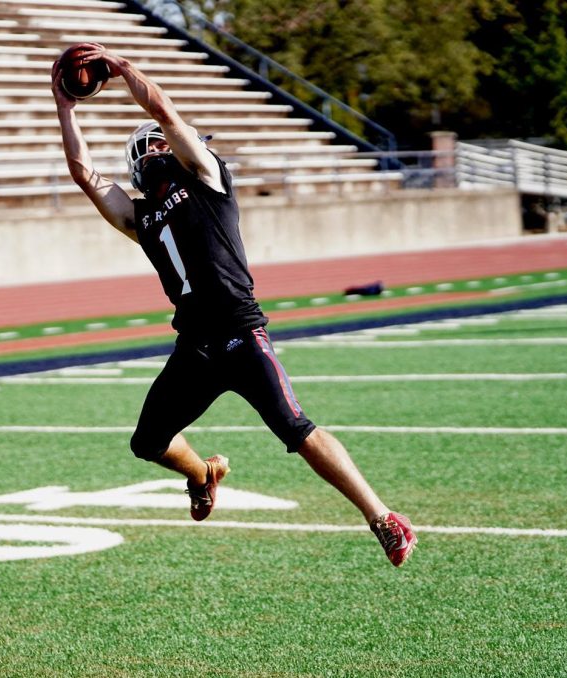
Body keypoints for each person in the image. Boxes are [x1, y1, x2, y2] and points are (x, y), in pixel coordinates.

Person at [51, 43, 417, 566]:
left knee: (297, 429)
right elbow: (86, 175)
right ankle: (202, 474)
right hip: (195, 347)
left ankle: (383, 517)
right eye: (169, 141)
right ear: (149, 153)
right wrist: (65, 106)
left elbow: (164, 113)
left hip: (241, 333)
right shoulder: (142, 217)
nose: (190, 141)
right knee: (148, 441)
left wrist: (124, 67)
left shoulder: (208, 179)